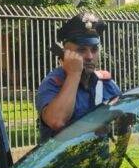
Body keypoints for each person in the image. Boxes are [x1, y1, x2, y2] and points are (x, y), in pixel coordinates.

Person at [35, 13, 121, 143]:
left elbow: (123, 119)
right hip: (63, 162)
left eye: (94, 49)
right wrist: (74, 74)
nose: (90, 56)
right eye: (81, 50)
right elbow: (56, 121)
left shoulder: (105, 83)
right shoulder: (53, 83)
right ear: (65, 53)